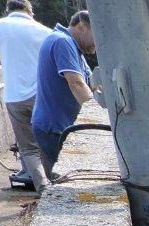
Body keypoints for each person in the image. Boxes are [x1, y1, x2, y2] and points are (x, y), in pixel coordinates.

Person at [0, 0, 51, 192]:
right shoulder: (45, 31)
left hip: (15, 97)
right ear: (30, 11)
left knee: (28, 148)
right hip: (43, 95)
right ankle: (55, 184)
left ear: (8, 10)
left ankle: (43, 189)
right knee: (47, 143)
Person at [31, 10, 95, 185]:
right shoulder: (62, 42)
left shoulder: (72, 45)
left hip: (57, 126)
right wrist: (95, 117)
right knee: (65, 182)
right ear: (82, 27)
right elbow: (76, 83)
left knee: (68, 180)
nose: (99, 42)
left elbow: (91, 83)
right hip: (54, 128)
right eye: (96, 34)